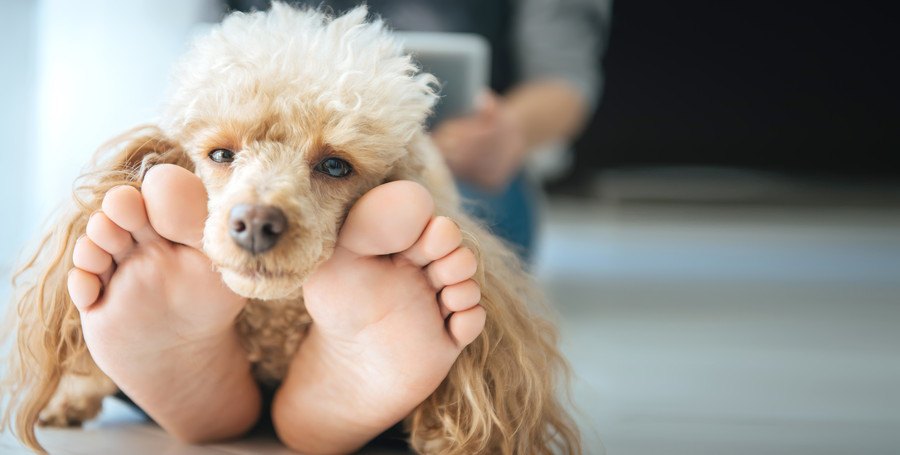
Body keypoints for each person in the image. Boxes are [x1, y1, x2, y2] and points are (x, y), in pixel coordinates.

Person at [66, 1, 611, 452]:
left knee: (441, 220)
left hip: (469, 154)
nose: (261, 211)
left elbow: (565, 81)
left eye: (332, 165)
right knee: (167, 212)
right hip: (333, 174)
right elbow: (201, 58)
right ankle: (352, 382)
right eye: (224, 153)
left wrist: (510, 132)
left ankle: (339, 307)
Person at [230, 0, 612, 261]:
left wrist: (511, 132)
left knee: (456, 216)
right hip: (259, 148)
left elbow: (564, 81)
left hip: (463, 160)